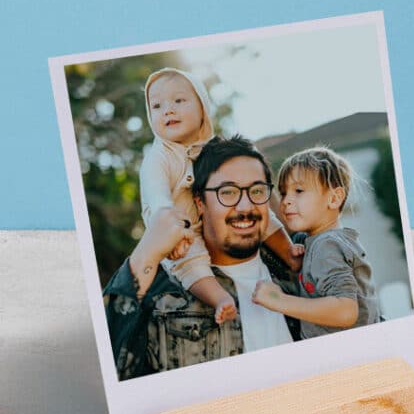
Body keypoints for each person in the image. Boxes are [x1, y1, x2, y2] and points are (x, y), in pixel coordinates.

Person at [104, 135, 299, 380]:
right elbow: (112, 370)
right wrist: (146, 253)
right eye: (227, 192)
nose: (244, 206)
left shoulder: (302, 272)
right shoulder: (163, 292)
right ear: (200, 203)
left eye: (257, 190)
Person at [139, 68, 299, 324]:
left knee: (254, 207)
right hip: (174, 231)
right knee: (192, 261)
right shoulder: (158, 158)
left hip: (211, 221)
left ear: (203, 108)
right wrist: (173, 234)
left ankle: (290, 253)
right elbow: (159, 200)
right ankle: (220, 299)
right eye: (157, 106)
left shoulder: (215, 150)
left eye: (179, 101)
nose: (168, 110)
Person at [252, 146, 380, 337]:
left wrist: (278, 300)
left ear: (334, 198)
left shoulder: (326, 246)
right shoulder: (320, 242)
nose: (285, 200)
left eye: (299, 190)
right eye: (283, 192)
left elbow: (346, 310)